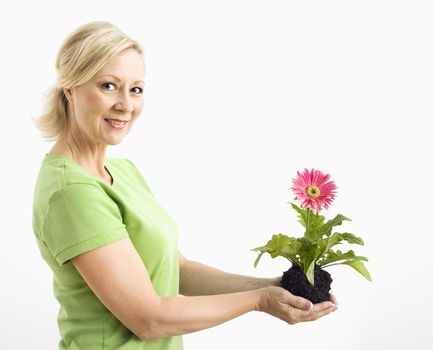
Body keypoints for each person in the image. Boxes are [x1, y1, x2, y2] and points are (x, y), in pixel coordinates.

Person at [32, 21, 338, 350]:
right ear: (70, 88)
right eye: (108, 86)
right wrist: (259, 301)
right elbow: (148, 318)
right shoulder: (72, 191)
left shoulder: (122, 172)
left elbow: (179, 271)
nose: (126, 104)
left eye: (136, 89)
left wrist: (279, 286)